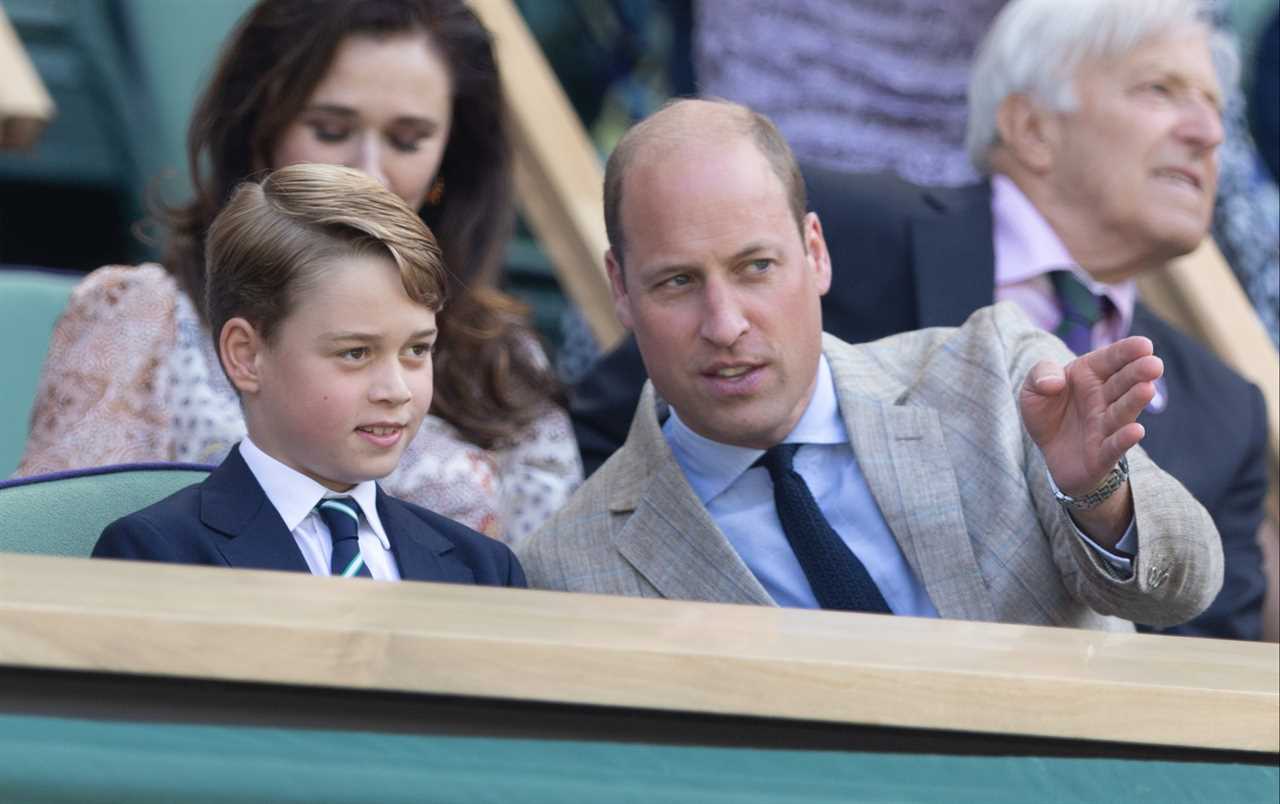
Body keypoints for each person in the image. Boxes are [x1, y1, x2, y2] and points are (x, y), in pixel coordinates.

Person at [569, 0, 1267, 640]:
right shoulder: (850, 230)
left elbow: (1209, 638)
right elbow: (626, 418)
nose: (1208, 133)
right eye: (1160, 91)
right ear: (1030, 126)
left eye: (1212, 102)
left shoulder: (1230, 409)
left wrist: (1098, 495)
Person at [17, 0, 580, 547]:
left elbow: (551, 588)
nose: (368, 171)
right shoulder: (145, 315)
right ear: (261, 127)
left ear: (449, 160)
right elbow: (65, 552)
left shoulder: (500, 355)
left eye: (407, 140)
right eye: (332, 130)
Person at [94, 164, 525, 587]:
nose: (396, 391)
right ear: (246, 356)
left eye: (417, 350)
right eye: (355, 353)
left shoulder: (483, 569)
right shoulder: (160, 555)